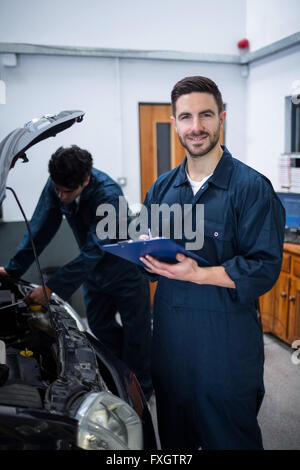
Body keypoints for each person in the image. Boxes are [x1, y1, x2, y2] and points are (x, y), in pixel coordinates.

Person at [139, 76, 285, 449]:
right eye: (186, 117)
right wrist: (139, 252)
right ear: (174, 123)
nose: (196, 126)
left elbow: (264, 267)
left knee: (229, 439)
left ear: (222, 117)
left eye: (206, 115)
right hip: (171, 346)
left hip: (225, 350)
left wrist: (199, 273)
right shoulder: (161, 189)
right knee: (175, 442)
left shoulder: (251, 188)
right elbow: (148, 253)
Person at [0, 145, 152, 400]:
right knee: (100, 327)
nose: (60, 196)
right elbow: (39, 230)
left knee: (137, 334)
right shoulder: (57, 185)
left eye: (66, 192)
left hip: (125, 271)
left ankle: (142, 392)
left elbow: (95, 249)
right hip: (93, 273)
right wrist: (12, 270)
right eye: (56, 189)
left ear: (86, 180)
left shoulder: (109, 195)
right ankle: (122, 375)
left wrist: (51, 288)